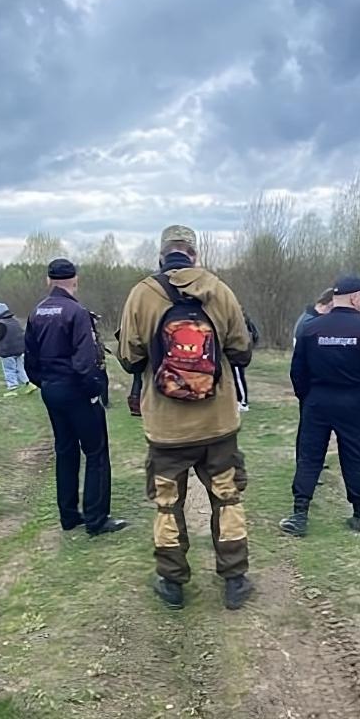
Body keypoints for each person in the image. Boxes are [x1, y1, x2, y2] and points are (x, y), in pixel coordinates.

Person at [117, 224, 254, 610]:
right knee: (226, 499)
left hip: (166, 428)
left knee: (167, 504)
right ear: (194, 255)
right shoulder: (219, 289)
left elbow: (129, 357)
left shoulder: (142, 295)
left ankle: (173, 583)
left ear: (162, 255)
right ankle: (234, 582)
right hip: (218, 425)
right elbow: (241, 350)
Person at [24, 258, 128, 536]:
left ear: (48, 280)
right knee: (95, 452)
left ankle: (68, 515)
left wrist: (45, 383)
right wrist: (95, 391)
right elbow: (85, 360)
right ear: (75, 279)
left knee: (65, 450)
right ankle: (96, 519)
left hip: (51, 389)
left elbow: (30, 360)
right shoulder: (76, 312)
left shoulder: (37, 312)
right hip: (77, 390)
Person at [280, 274, 360, 537]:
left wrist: (305, 397)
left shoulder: (311, 328)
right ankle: (359, 515)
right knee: (353, 455)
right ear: (355, 297)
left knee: (309, 456)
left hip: (317, 399)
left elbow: (297, 371)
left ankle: (299, 514)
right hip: (352, 401)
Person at [0, 302, 34, 396]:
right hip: (19, 350)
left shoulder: (1, 324)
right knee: (20, 368)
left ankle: (12, 388)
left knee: (9, 369)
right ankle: (28, 384)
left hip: (7, 351)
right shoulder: (15, 321)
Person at [232, 312, 260, 412]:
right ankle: (238, 400)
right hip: (237, 351)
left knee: (238, 376)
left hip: (237, 352)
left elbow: (254, 334)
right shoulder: (237, 317)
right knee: (235, 377)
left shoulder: (240, 319)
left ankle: (243, 402)